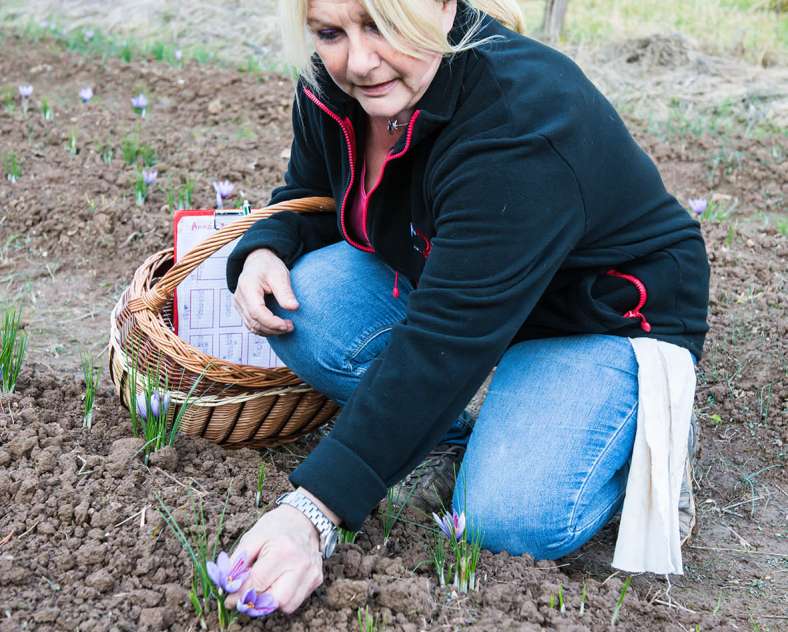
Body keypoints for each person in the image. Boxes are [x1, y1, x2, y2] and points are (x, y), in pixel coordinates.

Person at [223, 0, 710, 614]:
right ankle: (458, 431)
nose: (360, 60)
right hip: (461, 288)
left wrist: (310, 515)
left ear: (441, 7)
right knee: (305, 303)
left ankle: (644, 420)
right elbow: (311, 191)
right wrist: (267, 246)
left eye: (382, 24)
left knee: (507, 519)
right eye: (331, 32)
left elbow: (443, 342)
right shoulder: (332, 85)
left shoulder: (516, 121)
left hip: (595, 316)